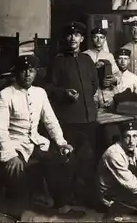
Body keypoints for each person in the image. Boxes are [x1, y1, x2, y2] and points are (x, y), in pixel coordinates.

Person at [0, 55, 83, 219]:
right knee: (15, 169)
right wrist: (11, 155)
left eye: (31, 70)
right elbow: (1, 129)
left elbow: (50, 121)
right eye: (23, 71)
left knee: (63, 159)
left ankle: (62, 205)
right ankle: (15, 212)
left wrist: (62, 143)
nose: (27, 74)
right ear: (17, 73)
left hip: (36, 142)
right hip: (15, 144)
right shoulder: (5, 95)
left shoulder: (40, 93)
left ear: (35, 73)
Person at [44, 21, 100, 207]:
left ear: (82, 39)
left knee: (88, 159)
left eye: (77, 35)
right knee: (67, 160)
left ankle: (85, 197)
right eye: (69, 35)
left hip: (89, 118)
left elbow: (94, 84)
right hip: (69, 120)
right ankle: (64, 200)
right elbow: (48, 87)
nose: (73, 38)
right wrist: (64, 93)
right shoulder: (58, 61)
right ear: (65, 39)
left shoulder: (87, 60)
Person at [83, 27, 121, 108]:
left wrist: (114, 80)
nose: (99, 40)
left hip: (107, 96)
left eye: (101, 37)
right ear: (92, 38)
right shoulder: (84, 55)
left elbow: (118, 73)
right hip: (91, 95)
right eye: (96, 37)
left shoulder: (109, 56)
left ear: (104, 39)